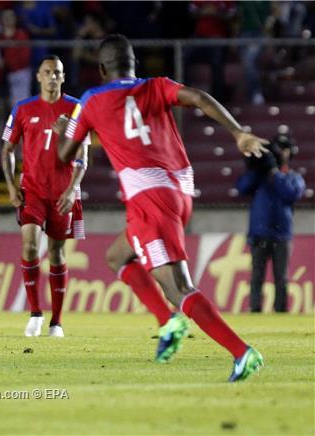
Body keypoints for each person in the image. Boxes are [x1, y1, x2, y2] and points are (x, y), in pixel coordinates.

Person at [57, 34, 267, 382]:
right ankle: (168, 322)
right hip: (180, 192)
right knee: (117, 256)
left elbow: (65, 155)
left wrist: (65, 130)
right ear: (134, 64)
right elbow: (198, 97)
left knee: (177, 287)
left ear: (102, 69)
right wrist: (237, 133)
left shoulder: (92, 100)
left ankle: (241, 352)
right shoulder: (156, 85)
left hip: (148, 199)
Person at [2, 55, 88, 337]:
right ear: (38, 76)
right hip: (33, 190)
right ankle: (36, 313)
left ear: (63, 77)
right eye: (48, 72)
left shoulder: (76, 108)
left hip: (63, 192)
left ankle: (57, 321)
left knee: (56, 253)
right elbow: (7, 150)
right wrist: (12, 187)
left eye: (57, 72)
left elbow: (83, 155)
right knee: (29, 246)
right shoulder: (24, 108)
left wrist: (72, 189)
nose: (53, 76)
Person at [237, 134, 305, 312]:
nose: (280, 152)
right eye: (277, 148)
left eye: (284, 148)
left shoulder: (293, 177)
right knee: (256, 275)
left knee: (281, 276)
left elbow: (291, 194)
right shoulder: (259, 176)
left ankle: (281, 309)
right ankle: (254, 309)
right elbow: (242, 187)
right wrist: (255, 169)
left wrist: (275, 173)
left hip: (282, 234)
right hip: (259, 232)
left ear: (291, 153)